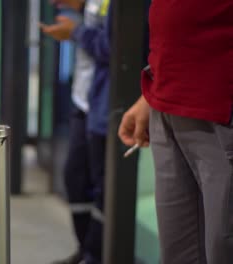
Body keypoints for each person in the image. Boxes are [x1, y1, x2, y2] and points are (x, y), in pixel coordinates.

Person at [118, 1, 233, 263]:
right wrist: (154, 90)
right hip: (168, 102)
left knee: (222, 249)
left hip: (220, 106)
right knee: (177, 251)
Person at [41, 1, 111, 263]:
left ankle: (96, 254)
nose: (55, 3)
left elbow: (117, 47)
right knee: (76, 178)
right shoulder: (91, 7)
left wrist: (76, 32)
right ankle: (87, 251)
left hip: (104, 108)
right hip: (84, 102)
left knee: (105, 187)